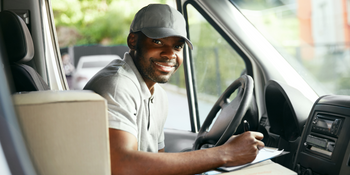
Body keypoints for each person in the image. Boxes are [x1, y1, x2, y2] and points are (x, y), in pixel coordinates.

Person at [84, 3, 264, 175]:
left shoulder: (159, 95)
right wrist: (225, 154)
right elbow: (122, 165)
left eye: (177, 46)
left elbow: (157, 160)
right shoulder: (117, 85)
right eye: (157, 41)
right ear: (133, 40)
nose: (170, 54)